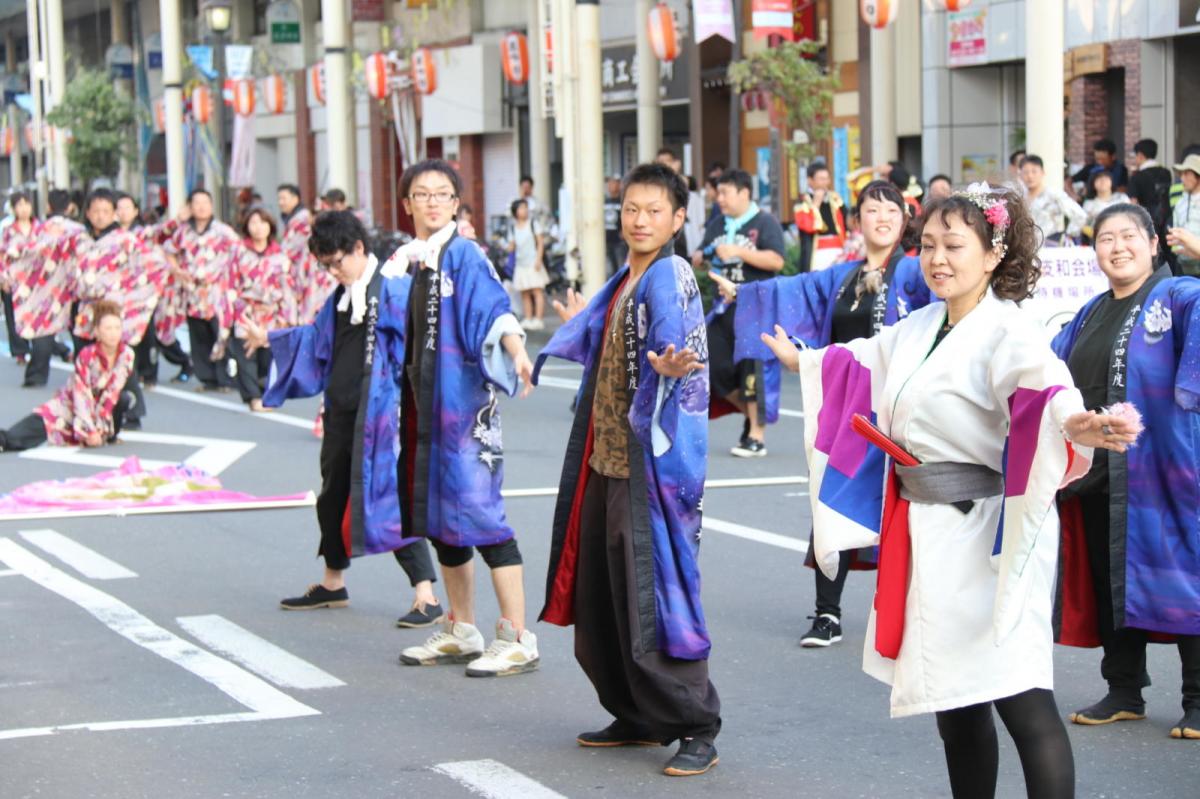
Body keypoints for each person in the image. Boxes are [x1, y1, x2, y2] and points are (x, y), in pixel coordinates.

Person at [762, 184, 1138, 798]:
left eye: (953, 245)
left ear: (992, 254)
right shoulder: (920, 326)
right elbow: (858, 364)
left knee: (1021, 698)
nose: (937, 258)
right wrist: (805, 361)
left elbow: (1048, 395)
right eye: (929, 244)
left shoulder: (1008, 329)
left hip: (989, 533)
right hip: (931, 533)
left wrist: (1077, 424)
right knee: (954, 702)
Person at [535, 162, 720, 777]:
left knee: (654, 596)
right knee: (604, 594)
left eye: (653, 210)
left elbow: (681, 359)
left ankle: (696, 725)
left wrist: (671, 372)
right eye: (631, 209)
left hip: (647, 466)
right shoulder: (628, 278)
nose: (639, 220)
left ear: (676, 219)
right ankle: (634, 712)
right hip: (607, 459)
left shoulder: (670, 275)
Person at [728, 180, 935, 648]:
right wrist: (742, 296)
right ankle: (828, 613)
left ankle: (913, 614)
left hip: (901, 414)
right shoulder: (842, 276)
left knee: (908, 512)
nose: (880, 217)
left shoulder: (916, 272)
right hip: (847, 413)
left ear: (904, 220)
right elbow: (793, 289)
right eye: (871, 210)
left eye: (890, 210)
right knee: (831, 502)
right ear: (856, 220)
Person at [379, 159, 540, 676]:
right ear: (406, 204)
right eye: (421, 194)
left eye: (441, 194)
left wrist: (516, 351)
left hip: (466, 413)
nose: (431, 201)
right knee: (440, 520)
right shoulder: (403, 261)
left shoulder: (466, 255)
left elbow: (496, 312)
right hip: (422, 414)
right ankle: (461, 626)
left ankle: (517, 636)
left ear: (455, 204)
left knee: (482, 516)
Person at [246, 210, 444, 627]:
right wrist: (268, 338)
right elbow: (315, 339)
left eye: (337, 261)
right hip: (340, 411)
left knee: (390, 495)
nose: (334, 271)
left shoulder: (392, 289)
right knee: (333, 495)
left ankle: (425, 592)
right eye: (326, 265)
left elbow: (421, 341)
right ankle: (333, 581)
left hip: (380, 415)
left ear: (358, 249)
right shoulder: (341, 297)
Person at [1050, 203, 1200, 741]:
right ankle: (1123, 689)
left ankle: (1198, 697)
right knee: (1111, 578)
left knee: (1184, 576)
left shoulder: (1178, 296)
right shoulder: (1089, 313)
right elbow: (1049, 373)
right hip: (1099, 473)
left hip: (1166, 471)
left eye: (1128, 236)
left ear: (1154, 243)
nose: (1117, 246)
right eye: (1105, 238)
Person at [691, 168, 787, 458]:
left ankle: (756, 437)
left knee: (753, 371)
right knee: (710, 366)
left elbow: (777, 261)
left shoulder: (765, 222)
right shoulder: (718, 223)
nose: (719, 198)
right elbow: (702, 256)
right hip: (722, 309)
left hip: (755, 309)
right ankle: (752, 415)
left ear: (744, 192)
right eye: (718, 193)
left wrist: (740, 252)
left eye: (725, 192)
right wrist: (702, 260)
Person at [0, 300, 135, 452]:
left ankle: (108, 434)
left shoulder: (127, 354)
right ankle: (5, 440)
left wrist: (99, 430)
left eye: (117, 328)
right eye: (108, 328)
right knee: (41, 421)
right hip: (74, 404)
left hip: (102, 408)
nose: (113, 333)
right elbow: (81, 394)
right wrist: (88, 429)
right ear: (96, 331)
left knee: (123, 398)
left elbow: (112, 393)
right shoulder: (87, 355)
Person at [160, 189, 239, 391]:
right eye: (197, 203)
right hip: (192, 292)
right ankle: (207, 377)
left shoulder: (223, 231)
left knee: (220, 334)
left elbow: (239, 253)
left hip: (217, 291)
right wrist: (177, 270)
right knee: (199, 335)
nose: (201, 207)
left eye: (205, 202)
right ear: (190, 207)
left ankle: (226, 378)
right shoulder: (183, 232)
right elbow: (168, 251)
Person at [9, 190, 81, 387]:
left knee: (44, 329)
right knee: (81, 330)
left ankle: (36, 376)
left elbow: (22, 255)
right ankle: (85, 375)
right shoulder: (79, 230)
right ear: (69, 207)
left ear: (48, 206)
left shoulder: (39, 230)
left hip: (48, 286)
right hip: (79, 286)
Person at [227, 208, 294, 411]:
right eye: (254, 222)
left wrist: (286, 315)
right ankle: (253, 397)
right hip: (245, 311)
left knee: (267, 356)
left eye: (263, 223)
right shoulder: (238, 251)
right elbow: (229, 282)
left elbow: (288, 287)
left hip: (271, 313)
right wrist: (234, 310)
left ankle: (264, 392)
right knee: (245, 354)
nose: (258, 228)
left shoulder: (280, 255)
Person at [278, 184, 330, 325]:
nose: (280, 202)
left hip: (312, 275)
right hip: (305, 275)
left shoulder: (301, 220)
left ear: (296, 198)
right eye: (279, 198)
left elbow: (288, 251)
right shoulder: (295, 218)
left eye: (284, 198)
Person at [1, 191, 37, 367]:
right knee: (13, 315)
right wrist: (3, 279)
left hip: (36, 280)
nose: (23, 209)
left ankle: (46, 348)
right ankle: (20, 350)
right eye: (19, 205)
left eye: (26, 204)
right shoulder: (7, 231)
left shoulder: (40, 228)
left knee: (37, 316)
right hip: (13, 279)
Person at [1021, 154, 1087, 245]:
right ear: (1020, 174)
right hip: (1025, 247)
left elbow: (1080, 215)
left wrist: (1067, 237)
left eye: (1034, 171)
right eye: (1026, 172)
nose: (1030, 176)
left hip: (1051, 248)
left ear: (1042, 172)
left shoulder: (1053, 194)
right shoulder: (1020, 197)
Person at [794, 162, 847, 272]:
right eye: (821, 179)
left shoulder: (835, 198)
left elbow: (847, 220)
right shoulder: (802, 201)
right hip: (816, 253)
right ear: (810, 180)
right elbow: (807, 225)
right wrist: (815, 204)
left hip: (839, 248)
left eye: (827, 179)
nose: (825, 183)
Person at [507, 198, 548, 330]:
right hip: (521, 264)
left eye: (526, 207)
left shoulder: (533, 224)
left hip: (533, 262)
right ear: (515, 212)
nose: (525, 210)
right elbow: (511, 247)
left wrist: (538, 259)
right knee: (524, 293)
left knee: (537, 291)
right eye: (522, 208)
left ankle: (538, 319)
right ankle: (528, 318)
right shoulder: (513, 228)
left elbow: (540, 242)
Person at [1127, 139, 1173, 244]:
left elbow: (1132, 203)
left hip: (1147, 222)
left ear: (1140, 155)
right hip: (1166, 220)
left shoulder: (1137, 176)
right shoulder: (1166, 173)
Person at [1169, 153, 1200, 276]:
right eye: (1181, 174)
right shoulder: (1180, 203)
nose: (1182, 178)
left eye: (1187, 174)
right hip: (1183, 266)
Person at [1081, 170, 1130, 241]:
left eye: (1106, 178)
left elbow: (1131, 217)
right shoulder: (1089, 203)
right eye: (1099, 179)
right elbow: (1085, 225)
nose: (1103, 181)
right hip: (1100, 239)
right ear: (1093, 184)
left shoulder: (1122, 198)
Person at [604, 176, 625, 277]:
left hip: (619, 241)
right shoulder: (604, 201)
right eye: (610, 183)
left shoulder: (623, 201)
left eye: (614, 183)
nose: (611, 186)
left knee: (620, 267)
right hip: (606, 240)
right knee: (609, 269)